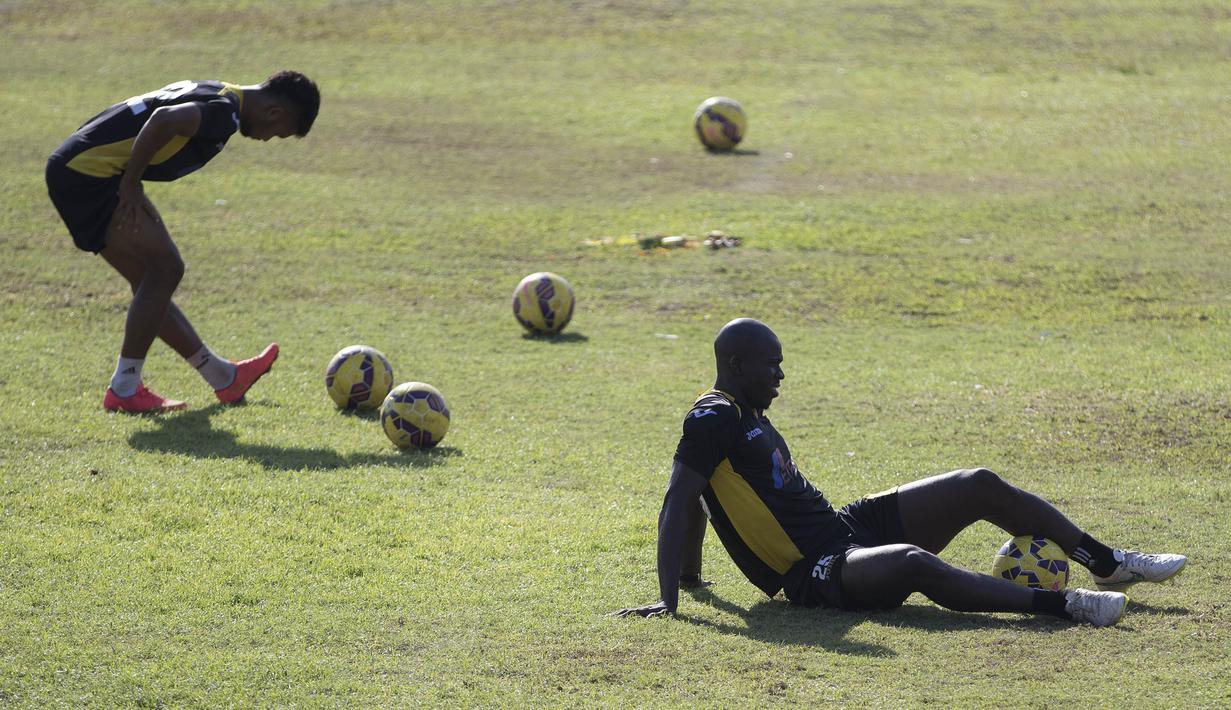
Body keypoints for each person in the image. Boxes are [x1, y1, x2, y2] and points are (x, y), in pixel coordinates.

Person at [614, 318, 1187, 627]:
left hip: (843, 530)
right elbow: (678, 498)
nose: (782, 374)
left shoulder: (746, 413)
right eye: (773, 364)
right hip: (816, 570)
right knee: (914, 563)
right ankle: (1067, 605)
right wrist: (671, 598)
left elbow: (700, 501)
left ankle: (1107, 563)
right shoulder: (713, 417)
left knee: (976, 483)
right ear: (737, 366)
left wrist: (693, 578)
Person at [46, 71, 321, 413]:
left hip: (83, 169)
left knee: (153, 278)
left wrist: (125, 174)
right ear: (274, 112)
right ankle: (125, 388)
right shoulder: (224, 113)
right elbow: (164, 119)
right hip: (89, 177)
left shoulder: (218, 91)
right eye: (277, 134)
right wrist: (130, 183)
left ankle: (223, 377)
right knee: (165, 269)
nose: (268, 139)